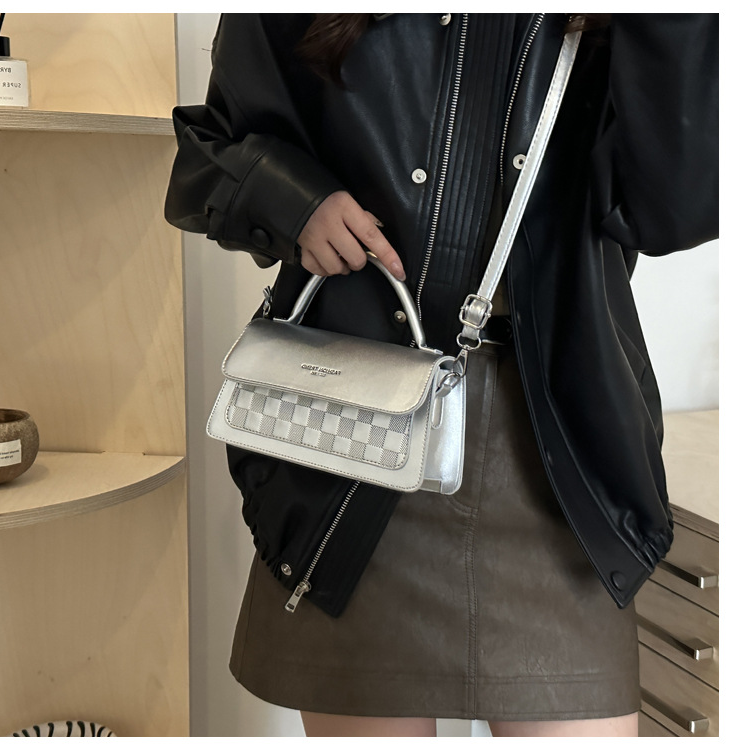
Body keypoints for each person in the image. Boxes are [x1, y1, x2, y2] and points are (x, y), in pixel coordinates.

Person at [164, 13, 718, 737]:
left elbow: (675, 209)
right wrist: (294, 202)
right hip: (356, 452)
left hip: (559, 464)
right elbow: (208, 150)